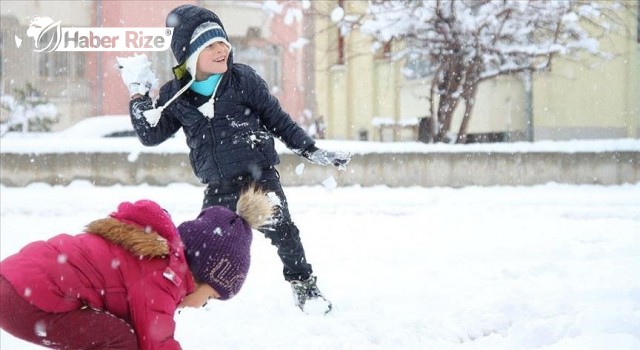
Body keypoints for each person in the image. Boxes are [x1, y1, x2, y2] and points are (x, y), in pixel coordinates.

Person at [118, 4, 350, 313]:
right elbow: (151, 135)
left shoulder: (243, 80)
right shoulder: (176, 94)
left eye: (223, 43)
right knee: (200, 247)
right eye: (210, 45)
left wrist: (311, 150)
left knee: (285, 234)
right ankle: (190, 295)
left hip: (259, 179)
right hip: (218, 185)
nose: (221, 51)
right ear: (190, 54)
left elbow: (278, 120)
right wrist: (138, 95)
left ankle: (304, 286)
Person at [0, 187, 273, 349]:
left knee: (113, 335)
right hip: (25, 300)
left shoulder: (157, 259)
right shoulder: (165, 276)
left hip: (14, 284)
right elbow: (156, 341)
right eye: (211, 297)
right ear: (201, 273)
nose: (203, 305)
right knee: (121, 341)